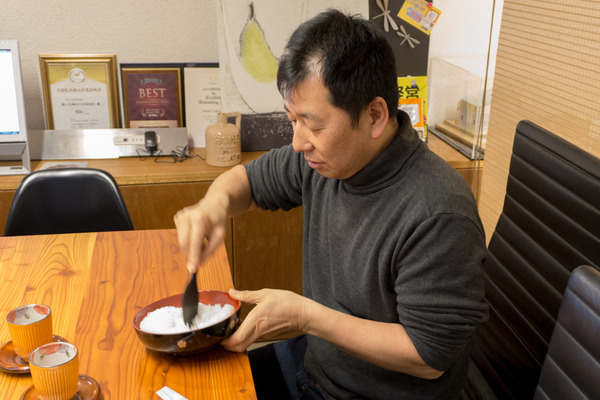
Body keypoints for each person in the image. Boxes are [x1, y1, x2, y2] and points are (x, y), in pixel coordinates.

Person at [174, 9, 488, 400]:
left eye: (314, 124)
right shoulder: (326, 158)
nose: (298, 142)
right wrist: (212, 207)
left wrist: (306, 317)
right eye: (292, 120)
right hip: (314, 367)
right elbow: (248, 181)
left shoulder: (438, 213)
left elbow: (428, 356)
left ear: (374, 115)